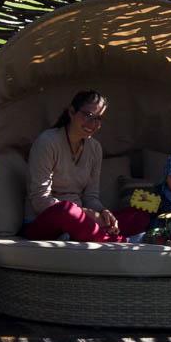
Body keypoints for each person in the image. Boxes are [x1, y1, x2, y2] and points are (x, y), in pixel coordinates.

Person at [20, 89, 123, 241]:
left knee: (133, 216)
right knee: (66, 210)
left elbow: (90, 196)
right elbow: (39, 200)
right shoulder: (48, 142)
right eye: (88, 115)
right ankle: (116, 241)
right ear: (72, 112)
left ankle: (106, 234)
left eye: (98, 118)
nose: (92, 124)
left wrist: (103, 212)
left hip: (79, 219)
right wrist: (84, 213)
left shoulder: (95, 148)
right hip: (44, 220)